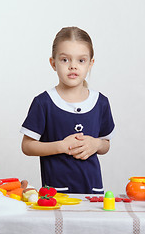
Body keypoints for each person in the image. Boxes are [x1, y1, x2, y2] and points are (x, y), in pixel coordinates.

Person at [20, 26, 115, 194]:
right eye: (65, 60)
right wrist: (62, 146)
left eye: (81, 60)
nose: (73, 66)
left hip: (93, 193)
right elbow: (27, 146)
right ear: (53, 63)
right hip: (56, 193)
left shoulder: (101, 102)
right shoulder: (44, 103)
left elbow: (105, 144)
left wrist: (96, 144)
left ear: (90, 63)